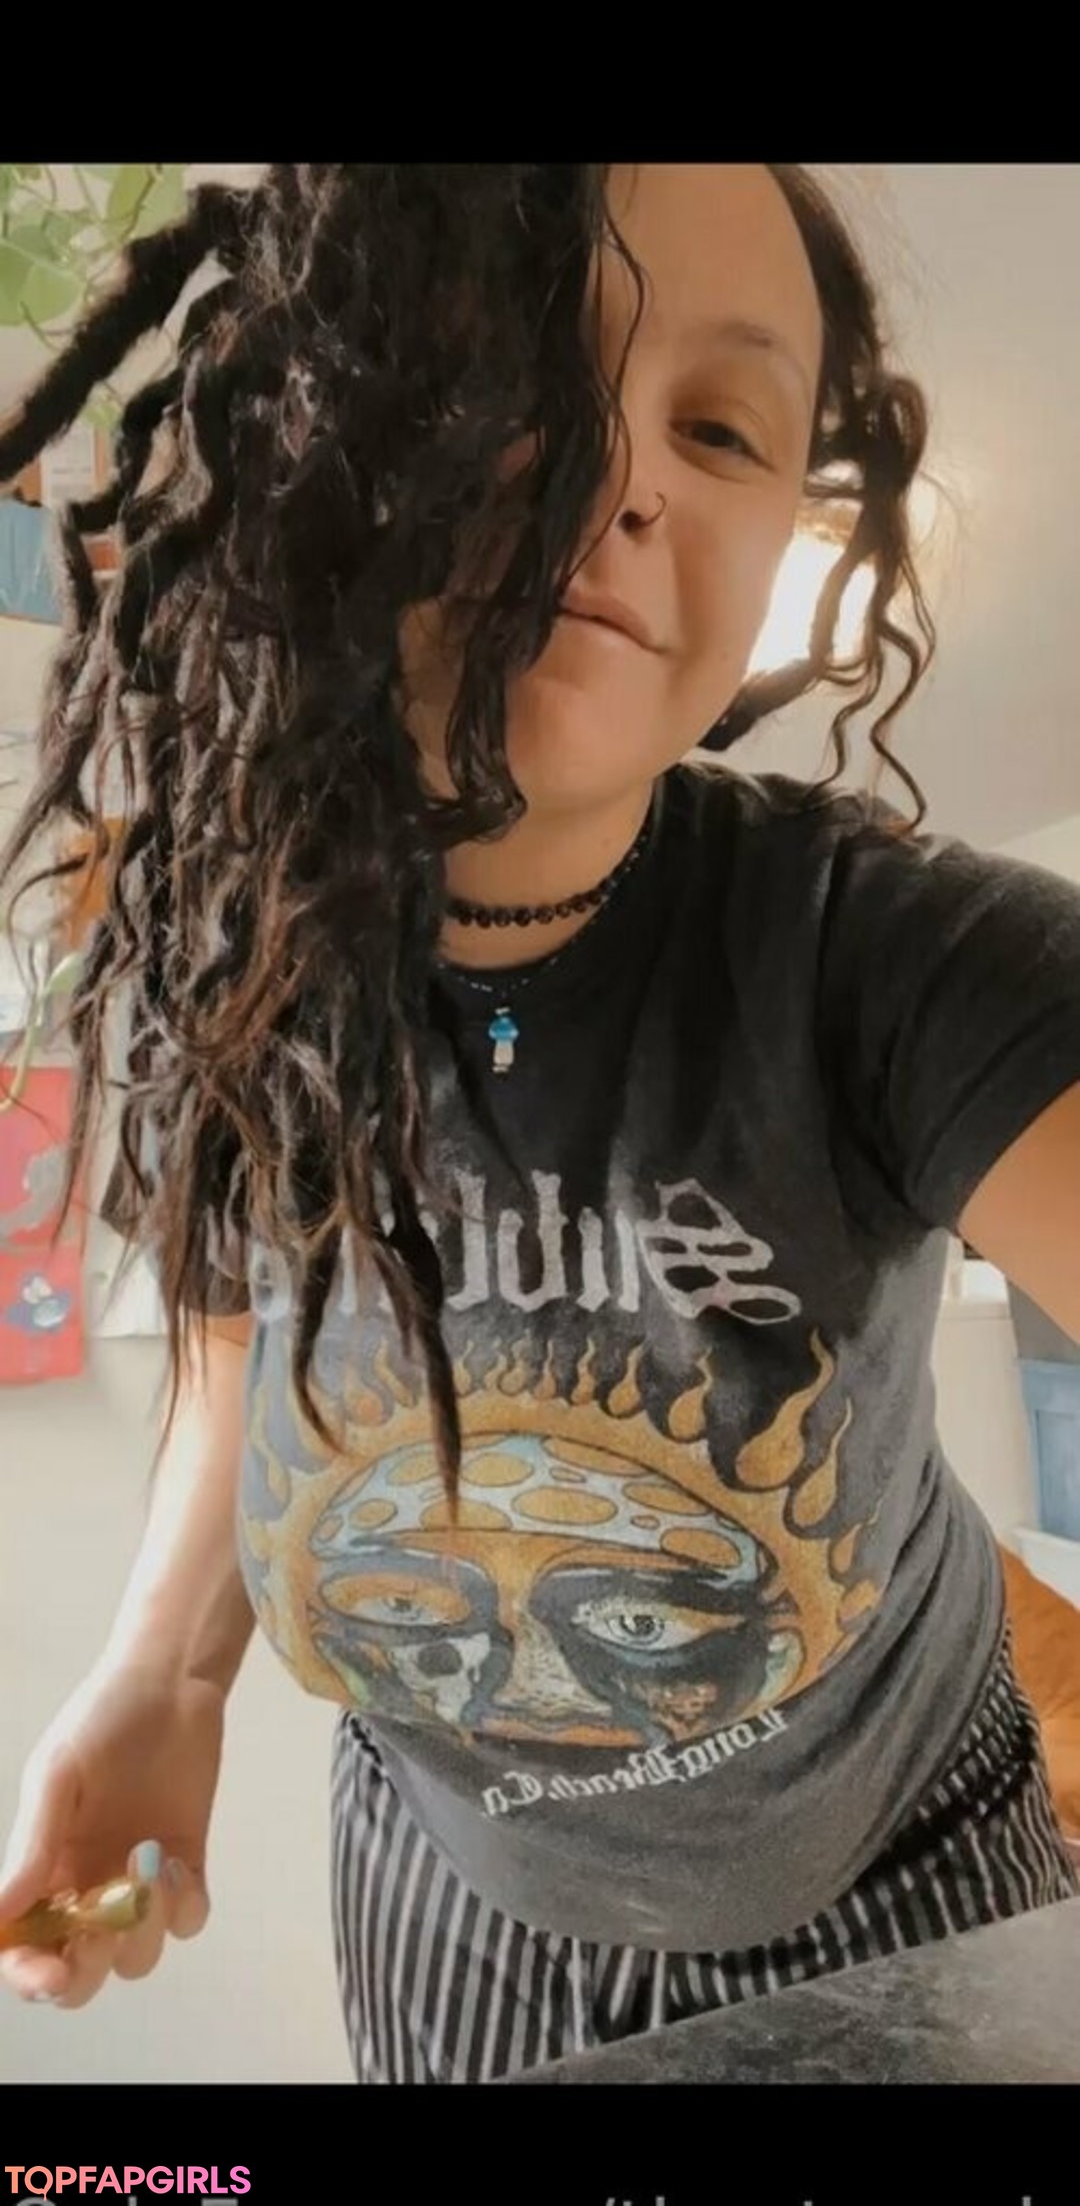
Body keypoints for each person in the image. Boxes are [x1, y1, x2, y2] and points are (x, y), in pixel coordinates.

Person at [1, 162, 1079, 2086]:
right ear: (331, 422)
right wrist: (165, 1670)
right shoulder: (221, 959)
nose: (631, 472)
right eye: (518, 363)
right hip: (445, 1902)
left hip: (902, 1885)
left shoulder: (891, 958)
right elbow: (251, 1315)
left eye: (722, 427)